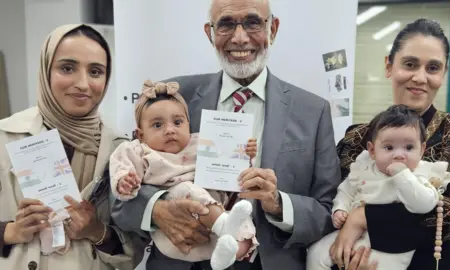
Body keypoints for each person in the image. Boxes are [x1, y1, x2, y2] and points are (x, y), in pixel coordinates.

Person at [111, 0, 342, 269]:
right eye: (226, 24)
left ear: (273, 29)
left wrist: (278, 203)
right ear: (210, 33)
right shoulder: (173, 99)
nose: (240, 38)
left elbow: (329, 213)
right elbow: (120, 194)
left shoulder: (312, 111)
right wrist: (158, 209)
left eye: (253, 22)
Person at [329, 19, 450, 270]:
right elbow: (335, 203)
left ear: (442, 75)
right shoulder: (357, 140)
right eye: (410, 64)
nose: (420, 77)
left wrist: (363, 218)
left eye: (433, 68)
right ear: (389, 66)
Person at [0, 24, 140, 270]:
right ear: (46, 70)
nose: (83, 84)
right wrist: (11, 231)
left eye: (96, 71)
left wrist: (97, 231)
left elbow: (136, 245)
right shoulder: (5, 137)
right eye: (67, 68)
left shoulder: (122, 150)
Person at [110, 79, 259, 270]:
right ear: (140, 135)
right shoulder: (138, 150)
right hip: (175, 231)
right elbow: (120, 169)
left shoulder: (201, 143)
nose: (170, 130)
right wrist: (124, 181)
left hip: (212, 229)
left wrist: (243, 153)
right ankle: (224, 225)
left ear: (188, 124)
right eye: (157, 125)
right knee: (187, 188)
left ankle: (228, 254)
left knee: (244, 217)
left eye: (178, 122)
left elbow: (230, 171)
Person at [307, 105, 450, 270]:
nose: (399, 155)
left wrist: (402, 176)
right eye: (389, 148)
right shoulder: (364, 168)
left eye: (409, 148)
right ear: (372, 150)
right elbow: (346, 191)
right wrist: (340, 209)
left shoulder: (420, 174)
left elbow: (424, 204)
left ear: (422, 150)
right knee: (315, 253)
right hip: (352, 234)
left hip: (390, 246)